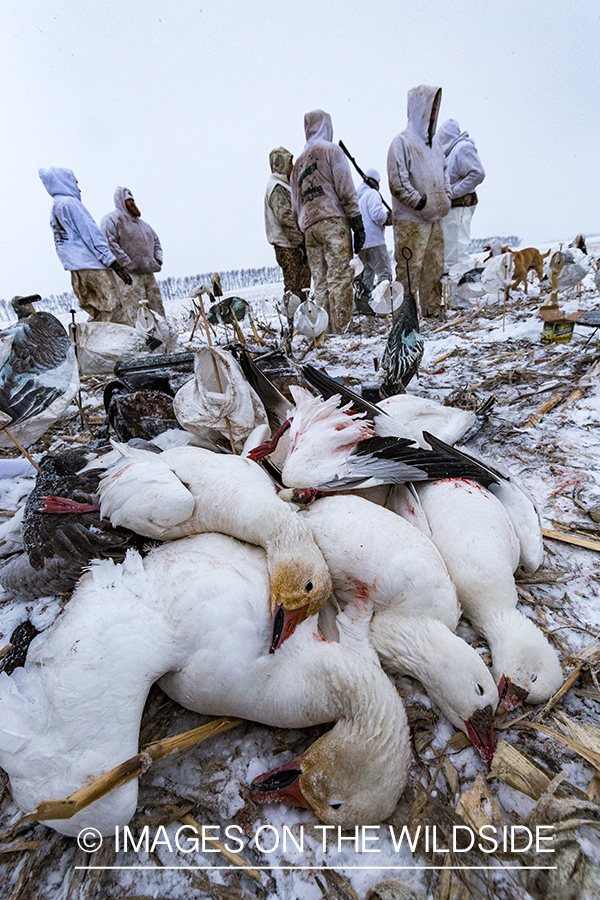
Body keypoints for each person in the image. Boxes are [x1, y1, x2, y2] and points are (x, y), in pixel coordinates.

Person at [291, 110, 365, 333]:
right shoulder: (331, 151)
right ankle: (342, 330)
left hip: (309, 228)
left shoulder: (298, 165)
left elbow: (296, 205)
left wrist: (302, 231)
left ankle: (323, 333)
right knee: (340, 278)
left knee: (321, 283)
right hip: (332, 221)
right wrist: (356, 219)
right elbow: (345, 186)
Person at [387, 85, 451, 316]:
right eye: (430, 104)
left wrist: (446, 198)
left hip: (435, 218)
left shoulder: (436, 146)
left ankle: (433, 309)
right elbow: (397, 181)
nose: (434, 110)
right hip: (411, 222)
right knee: (409, 270)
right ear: (418, 107)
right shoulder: (401, 143)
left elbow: (445, 175)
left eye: (436, 105)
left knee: (434, 267)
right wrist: (419, 203)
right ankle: (404, 316)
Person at [39, 168, 132, 322]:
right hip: (93, 268)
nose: (79, 188)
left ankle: (92, 345)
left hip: (76, 272)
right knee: (115, 314)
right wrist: (112, 262)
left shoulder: (55, 208)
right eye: (75, 183)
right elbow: (91, 235)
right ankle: (126, 346)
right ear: (64, 182)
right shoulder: (71, 204)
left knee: (98, 316)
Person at [100, 187, 166, 324]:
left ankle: (162, 337)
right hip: (128, 275)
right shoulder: (112, 220)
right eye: (127, 200)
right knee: (136, 310)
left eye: (132, 200)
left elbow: (156, 241)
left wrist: (157, 260)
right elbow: (109, 243)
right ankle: (143, 341)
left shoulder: (144, 225)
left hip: (148, 273)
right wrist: (126, 263)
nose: (131, 203)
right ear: (120, 202)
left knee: (157, 307)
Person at [264, 147, 311, 305]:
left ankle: (303, 323)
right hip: (288, 247)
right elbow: (285, 219)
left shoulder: (284, 186)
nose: (293, 167)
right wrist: (301, 242)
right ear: (281, 165)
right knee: (294, 289)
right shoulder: (277, 188)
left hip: (292, 245)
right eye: (290, 163)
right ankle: (294, 326)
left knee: (301, 288)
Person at [437, 119, 485, 271]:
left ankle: (461, 295)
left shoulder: (462, 148)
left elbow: (477, 174)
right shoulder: (451, 153)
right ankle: (454, 294)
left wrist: (452, 192)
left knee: (458, 257)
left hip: (460, 208)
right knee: (451, 257)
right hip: (452, 210)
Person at [357, 168, 393, 293]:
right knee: (385, 274)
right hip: (375, 243)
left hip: (362, 245)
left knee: (366, 277)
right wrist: (388, 217)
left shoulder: (359, 198)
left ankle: (362, 308)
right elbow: (377, 214)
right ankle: (382, 306)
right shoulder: (372, 194)